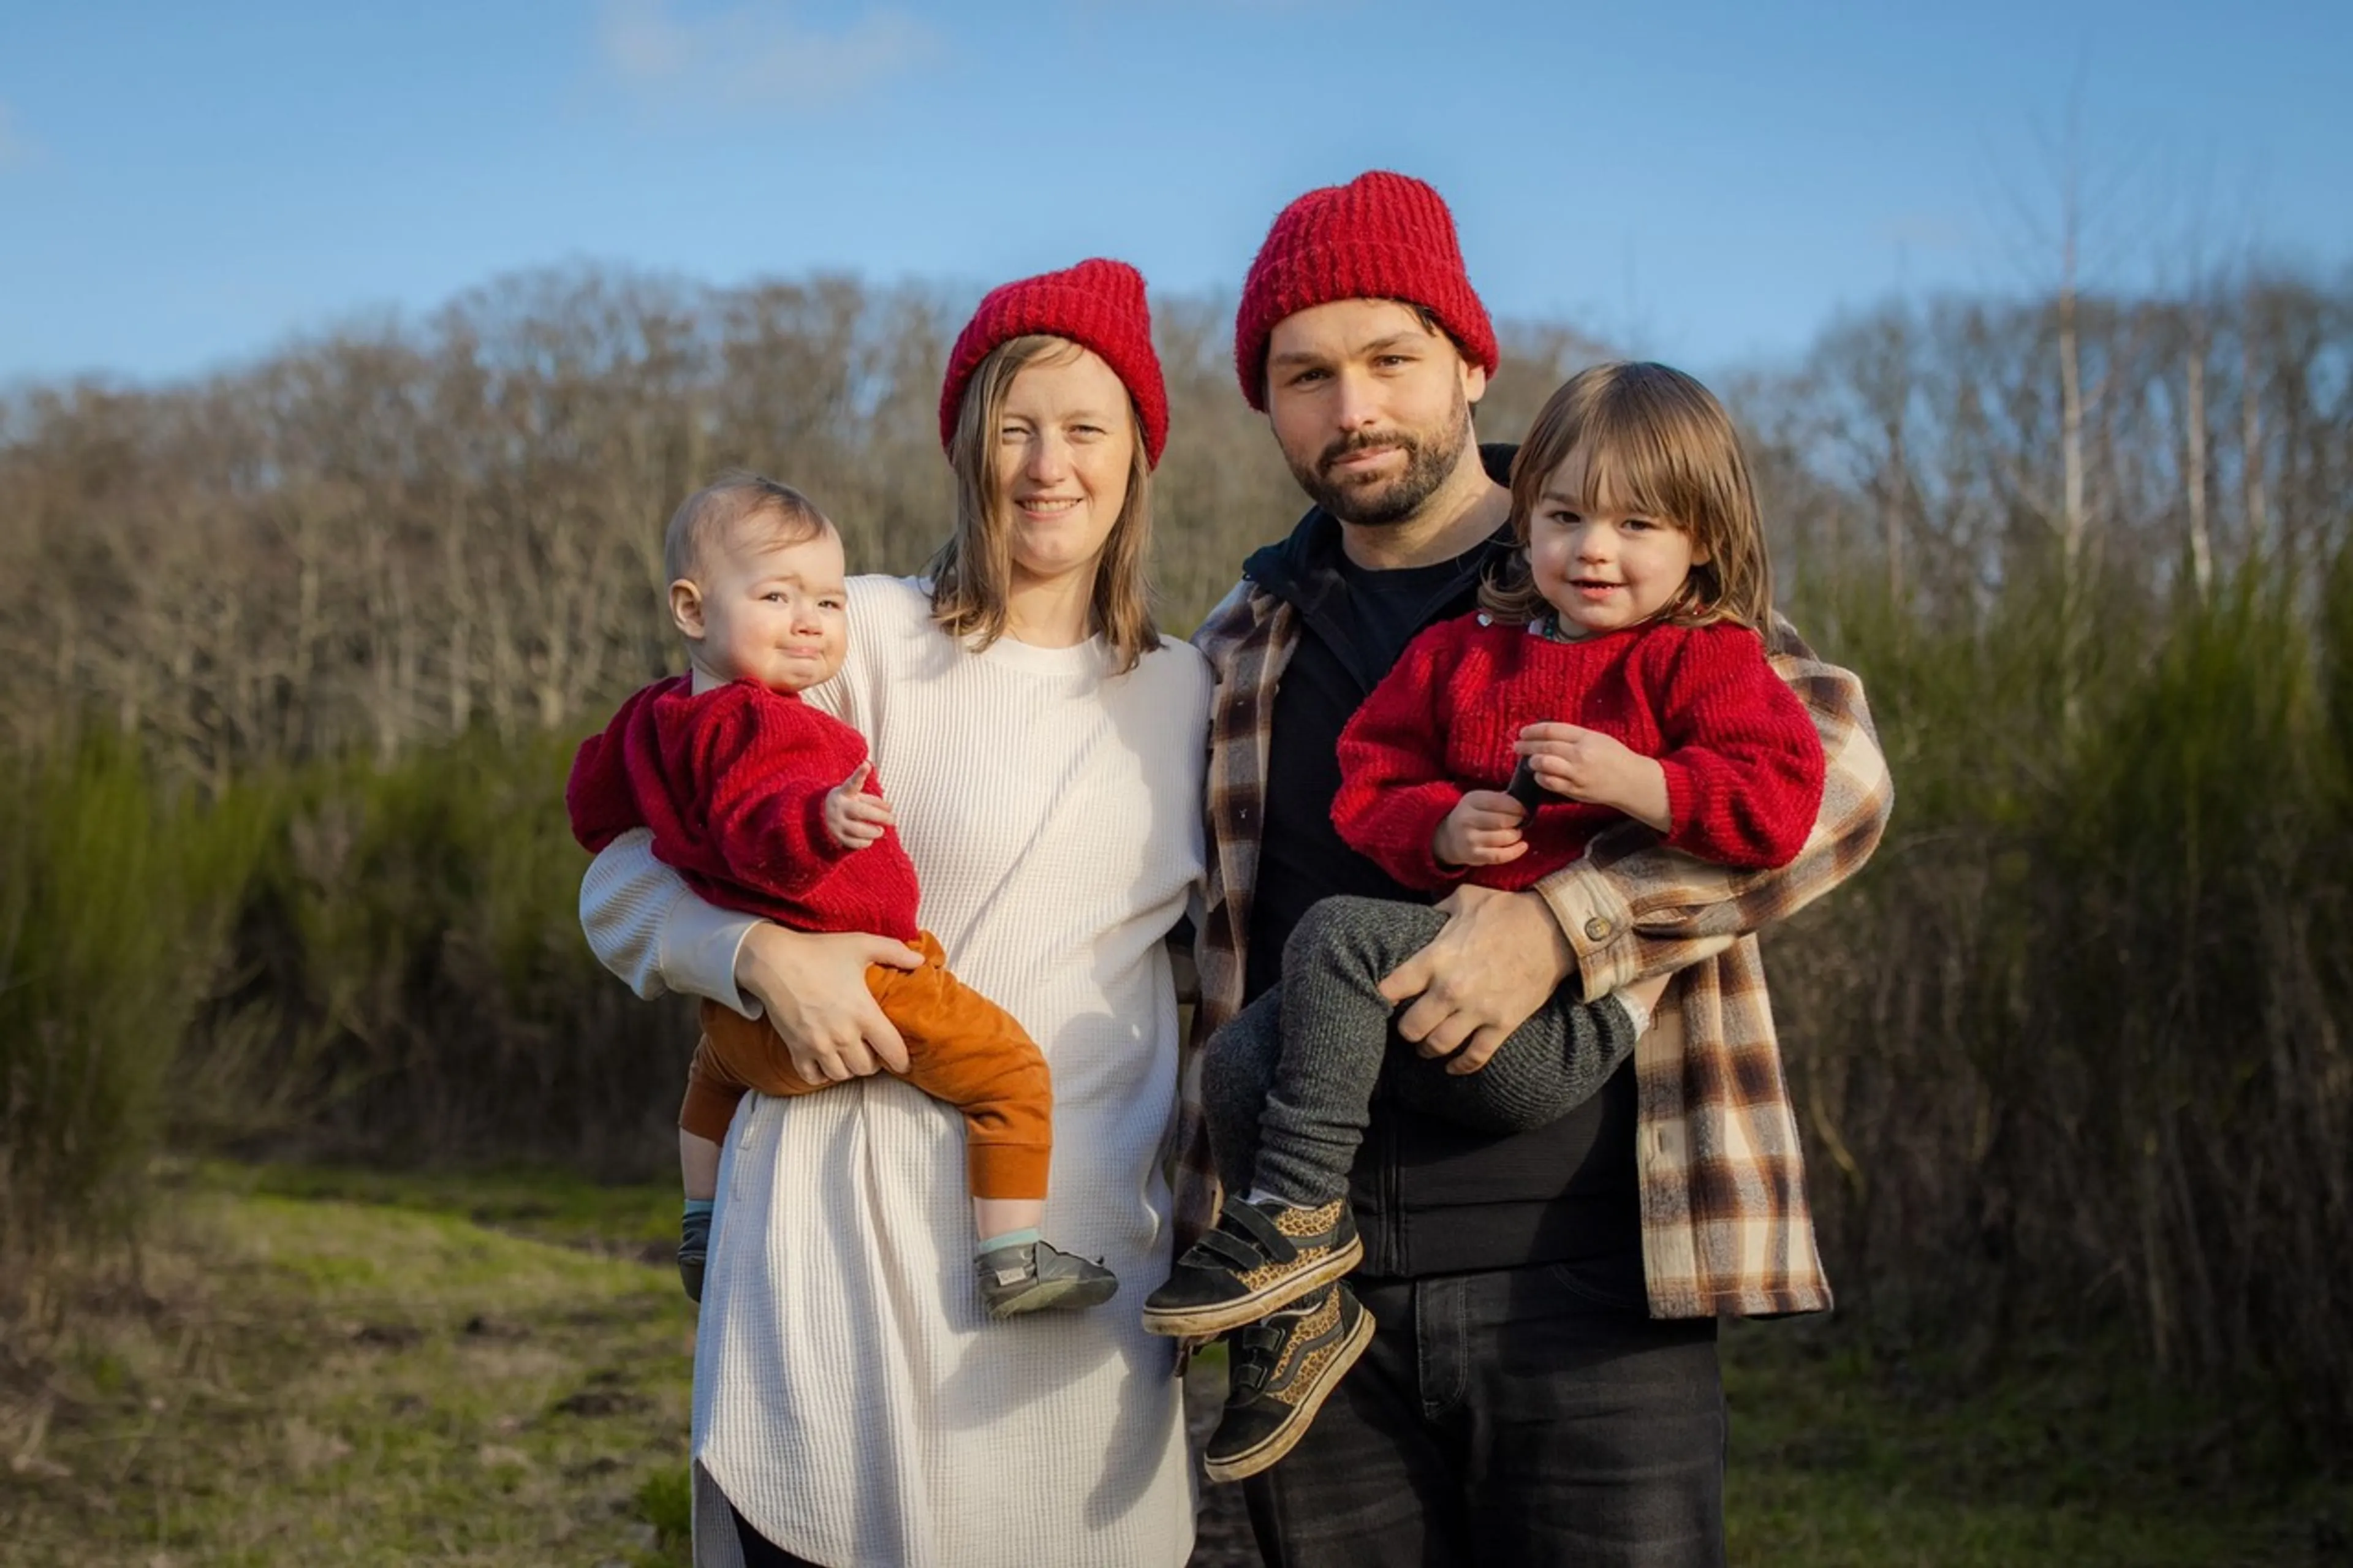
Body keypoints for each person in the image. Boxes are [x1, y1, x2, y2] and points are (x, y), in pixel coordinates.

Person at [1180, 171, 1893, 1566]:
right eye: (1306, 373)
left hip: (1585, 1278)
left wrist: (1572, 921)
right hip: (1321, 1318)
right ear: (1264, 401)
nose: (1354, 406)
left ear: (1470, 362)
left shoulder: (1610, 563)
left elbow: (1841, 788)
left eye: (1391, 358)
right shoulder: (1239, 638)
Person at [576, 259, 1212, 1567]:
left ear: (1139, 457)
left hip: (1075, 1261)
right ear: (967, 448)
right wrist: (756, 957)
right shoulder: (851, 630)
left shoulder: (1197, 690)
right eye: (1014, 427)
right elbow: (622, 873)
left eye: (1086, 428)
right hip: (836, 1253)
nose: (1049, 465)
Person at [564, 473, 1117, 1319]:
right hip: (871, 981)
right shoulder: (775, 722)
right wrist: (820, 823)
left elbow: (596, 805)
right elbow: (760, 824)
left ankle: (701, 1223)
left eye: (826, 602)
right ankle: (1012, 1254)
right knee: (1009, 1071)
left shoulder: (654, 716)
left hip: (742, 1028)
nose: (812, 621)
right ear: (691, 608)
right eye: (779, 596)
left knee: (709, 1079)